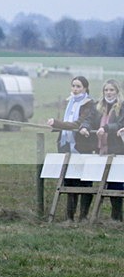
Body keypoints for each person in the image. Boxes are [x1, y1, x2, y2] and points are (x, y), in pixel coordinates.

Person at [46, 75, 97, 220]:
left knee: (85, 182)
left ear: (85, 88)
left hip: (82, 148)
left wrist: (56, 123)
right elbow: (67, 122)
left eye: (78, 86)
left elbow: (77, 124)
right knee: (69, 181)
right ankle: (69, 217)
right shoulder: (69, 102)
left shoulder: (89, 104)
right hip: (66, 147)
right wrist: (56, 127)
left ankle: (83, 216)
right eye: (73, 86)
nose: (75, 89)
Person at [91, 79, 123, 221]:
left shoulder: (121, 106)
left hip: (118, 148)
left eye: (112, 90)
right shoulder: (99, 107)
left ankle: (117, 216)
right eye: (106, 90)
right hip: (102, 149)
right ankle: (115, 216)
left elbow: (119, 124)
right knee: (108, 182)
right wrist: (83, 127)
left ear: (117, 91)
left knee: (117, 183)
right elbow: (90, 120)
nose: (109, 93)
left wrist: (105, 128)